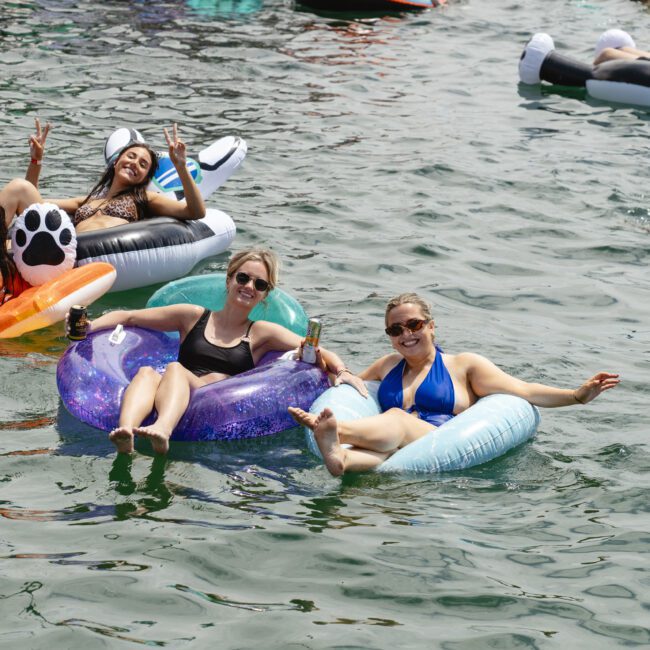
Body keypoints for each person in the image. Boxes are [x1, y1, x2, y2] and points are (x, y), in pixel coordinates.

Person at [289, 292, 620, 476]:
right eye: (395, 330)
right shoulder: (388, 365)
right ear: (390, 338)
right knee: (379, 447)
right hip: (392, 447)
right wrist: (334, 369)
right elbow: (353, 386)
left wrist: (577, 396)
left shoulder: (464, 366)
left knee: (398, 419)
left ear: (432, 326)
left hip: (438, 438)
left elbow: (525, 390)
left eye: (414, 324)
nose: (406, 335)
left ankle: (335, 432)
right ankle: (342, 458)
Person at [81, 248, 367, 455]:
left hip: (212, 400)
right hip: (173, 387)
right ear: (229, 279)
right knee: (147, 372)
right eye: (243, 278)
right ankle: (125, 432)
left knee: (175, 369)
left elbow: (316, 349)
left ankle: (163, 430)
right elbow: (129, 317)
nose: (249, 287)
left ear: (266, 294)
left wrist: (341, 371)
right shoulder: (192, 316)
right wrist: (88, 327)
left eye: (260, 284)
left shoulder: (260, 332)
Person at [1, 119, 206, 233]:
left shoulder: (144, 199)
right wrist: (36, 160)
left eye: (143, 165)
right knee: (19, 188)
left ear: (145, 178)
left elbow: (195, 211)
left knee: (20, 188)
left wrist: (181, 166)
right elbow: (32, 205)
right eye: (131, 157)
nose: (134, 163)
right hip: (65, 245)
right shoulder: (88, 200)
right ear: (116, 162)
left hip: (98, 252)